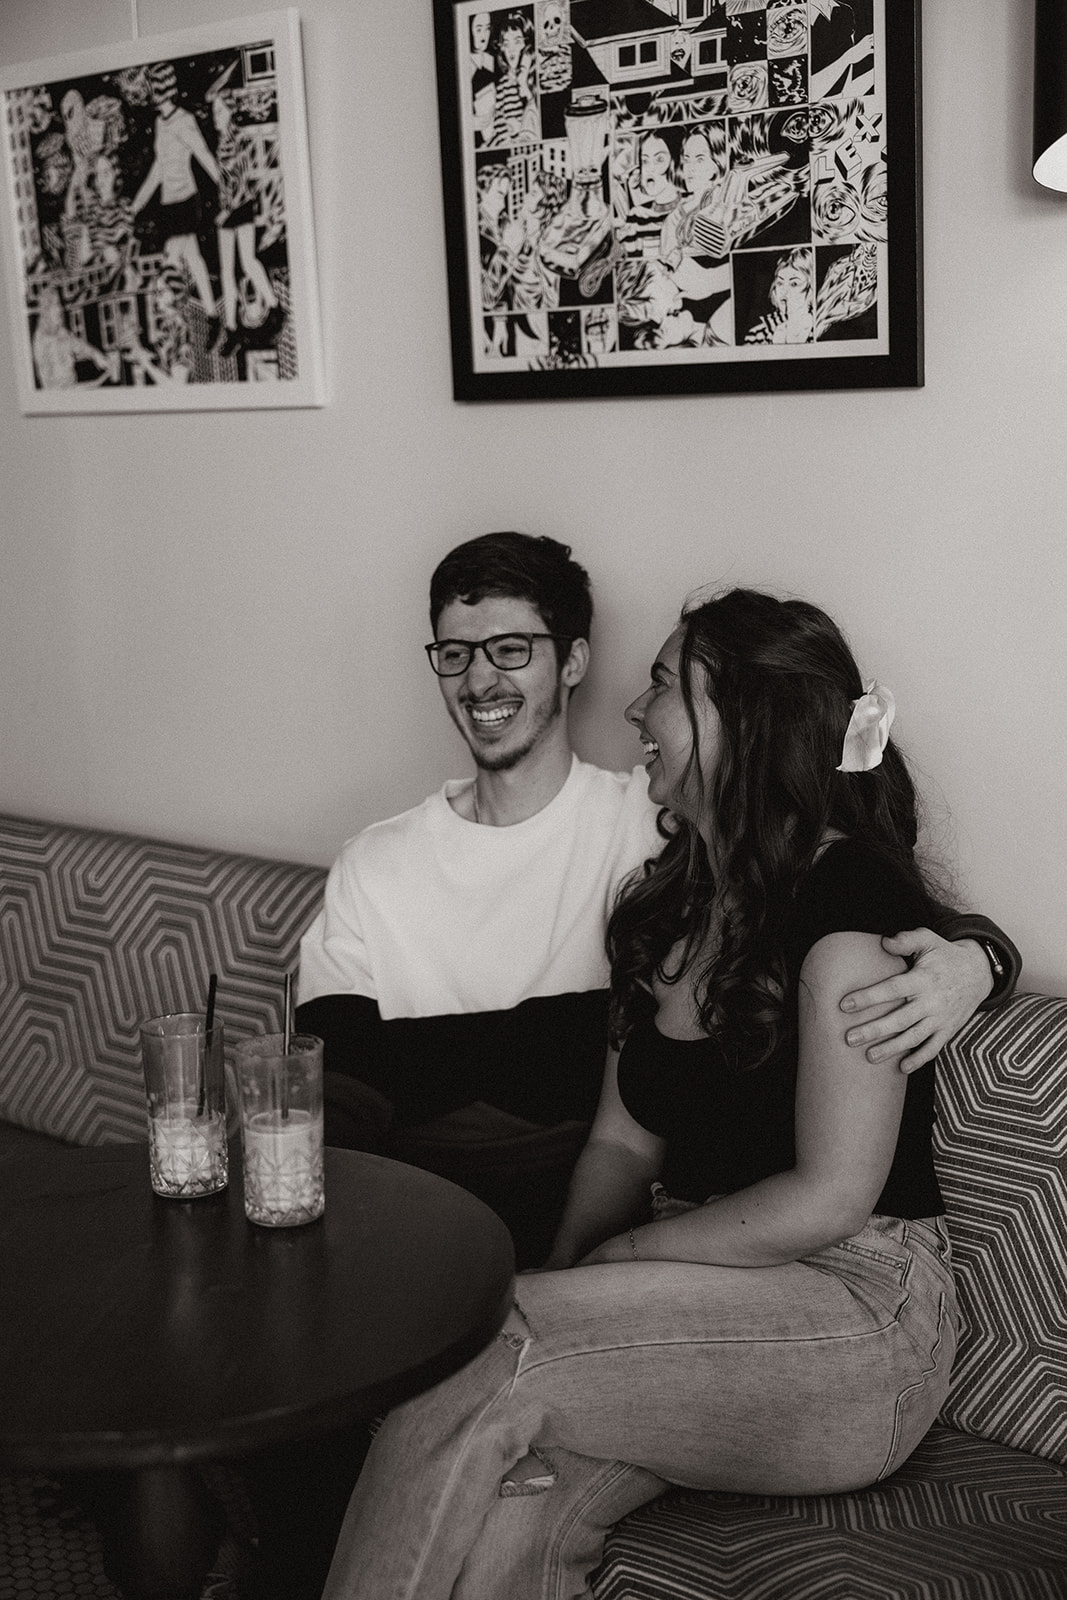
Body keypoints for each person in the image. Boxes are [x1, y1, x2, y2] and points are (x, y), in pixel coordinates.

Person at [319, 586, 993, 1600]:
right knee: (515, 1492)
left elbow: (830, 1198)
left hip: (852, 1317)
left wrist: (612, 1262)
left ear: (747, 721)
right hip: (684, 1303)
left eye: (664, 687)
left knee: (474, 1354)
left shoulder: (852, 910)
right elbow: (620, 1147)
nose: (635, 714)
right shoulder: (661, 908)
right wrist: (560, 1273)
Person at [297, 534, 1019, 1271]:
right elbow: (335, 1071)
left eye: (510, 649)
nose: (479, 680)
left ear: (572, 660)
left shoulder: (657, 826)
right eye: (454, 653)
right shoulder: (381, 861)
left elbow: (857, 898)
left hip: (622, 1223)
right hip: (429, 1198)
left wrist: (980, 959)